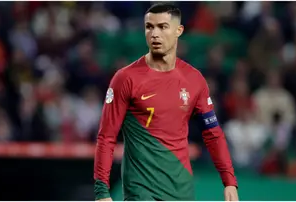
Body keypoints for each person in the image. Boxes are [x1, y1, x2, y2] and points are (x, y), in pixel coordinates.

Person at [94, 3, 238, 201]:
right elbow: (106, 136)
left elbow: (213, 134)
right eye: (149, 27)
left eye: (162, 27)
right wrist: (102, 191)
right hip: (141, 190)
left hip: (180, 190)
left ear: (178, 31)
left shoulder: (194, 80)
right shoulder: (126, 79)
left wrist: (229, 181)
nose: (154, 34)